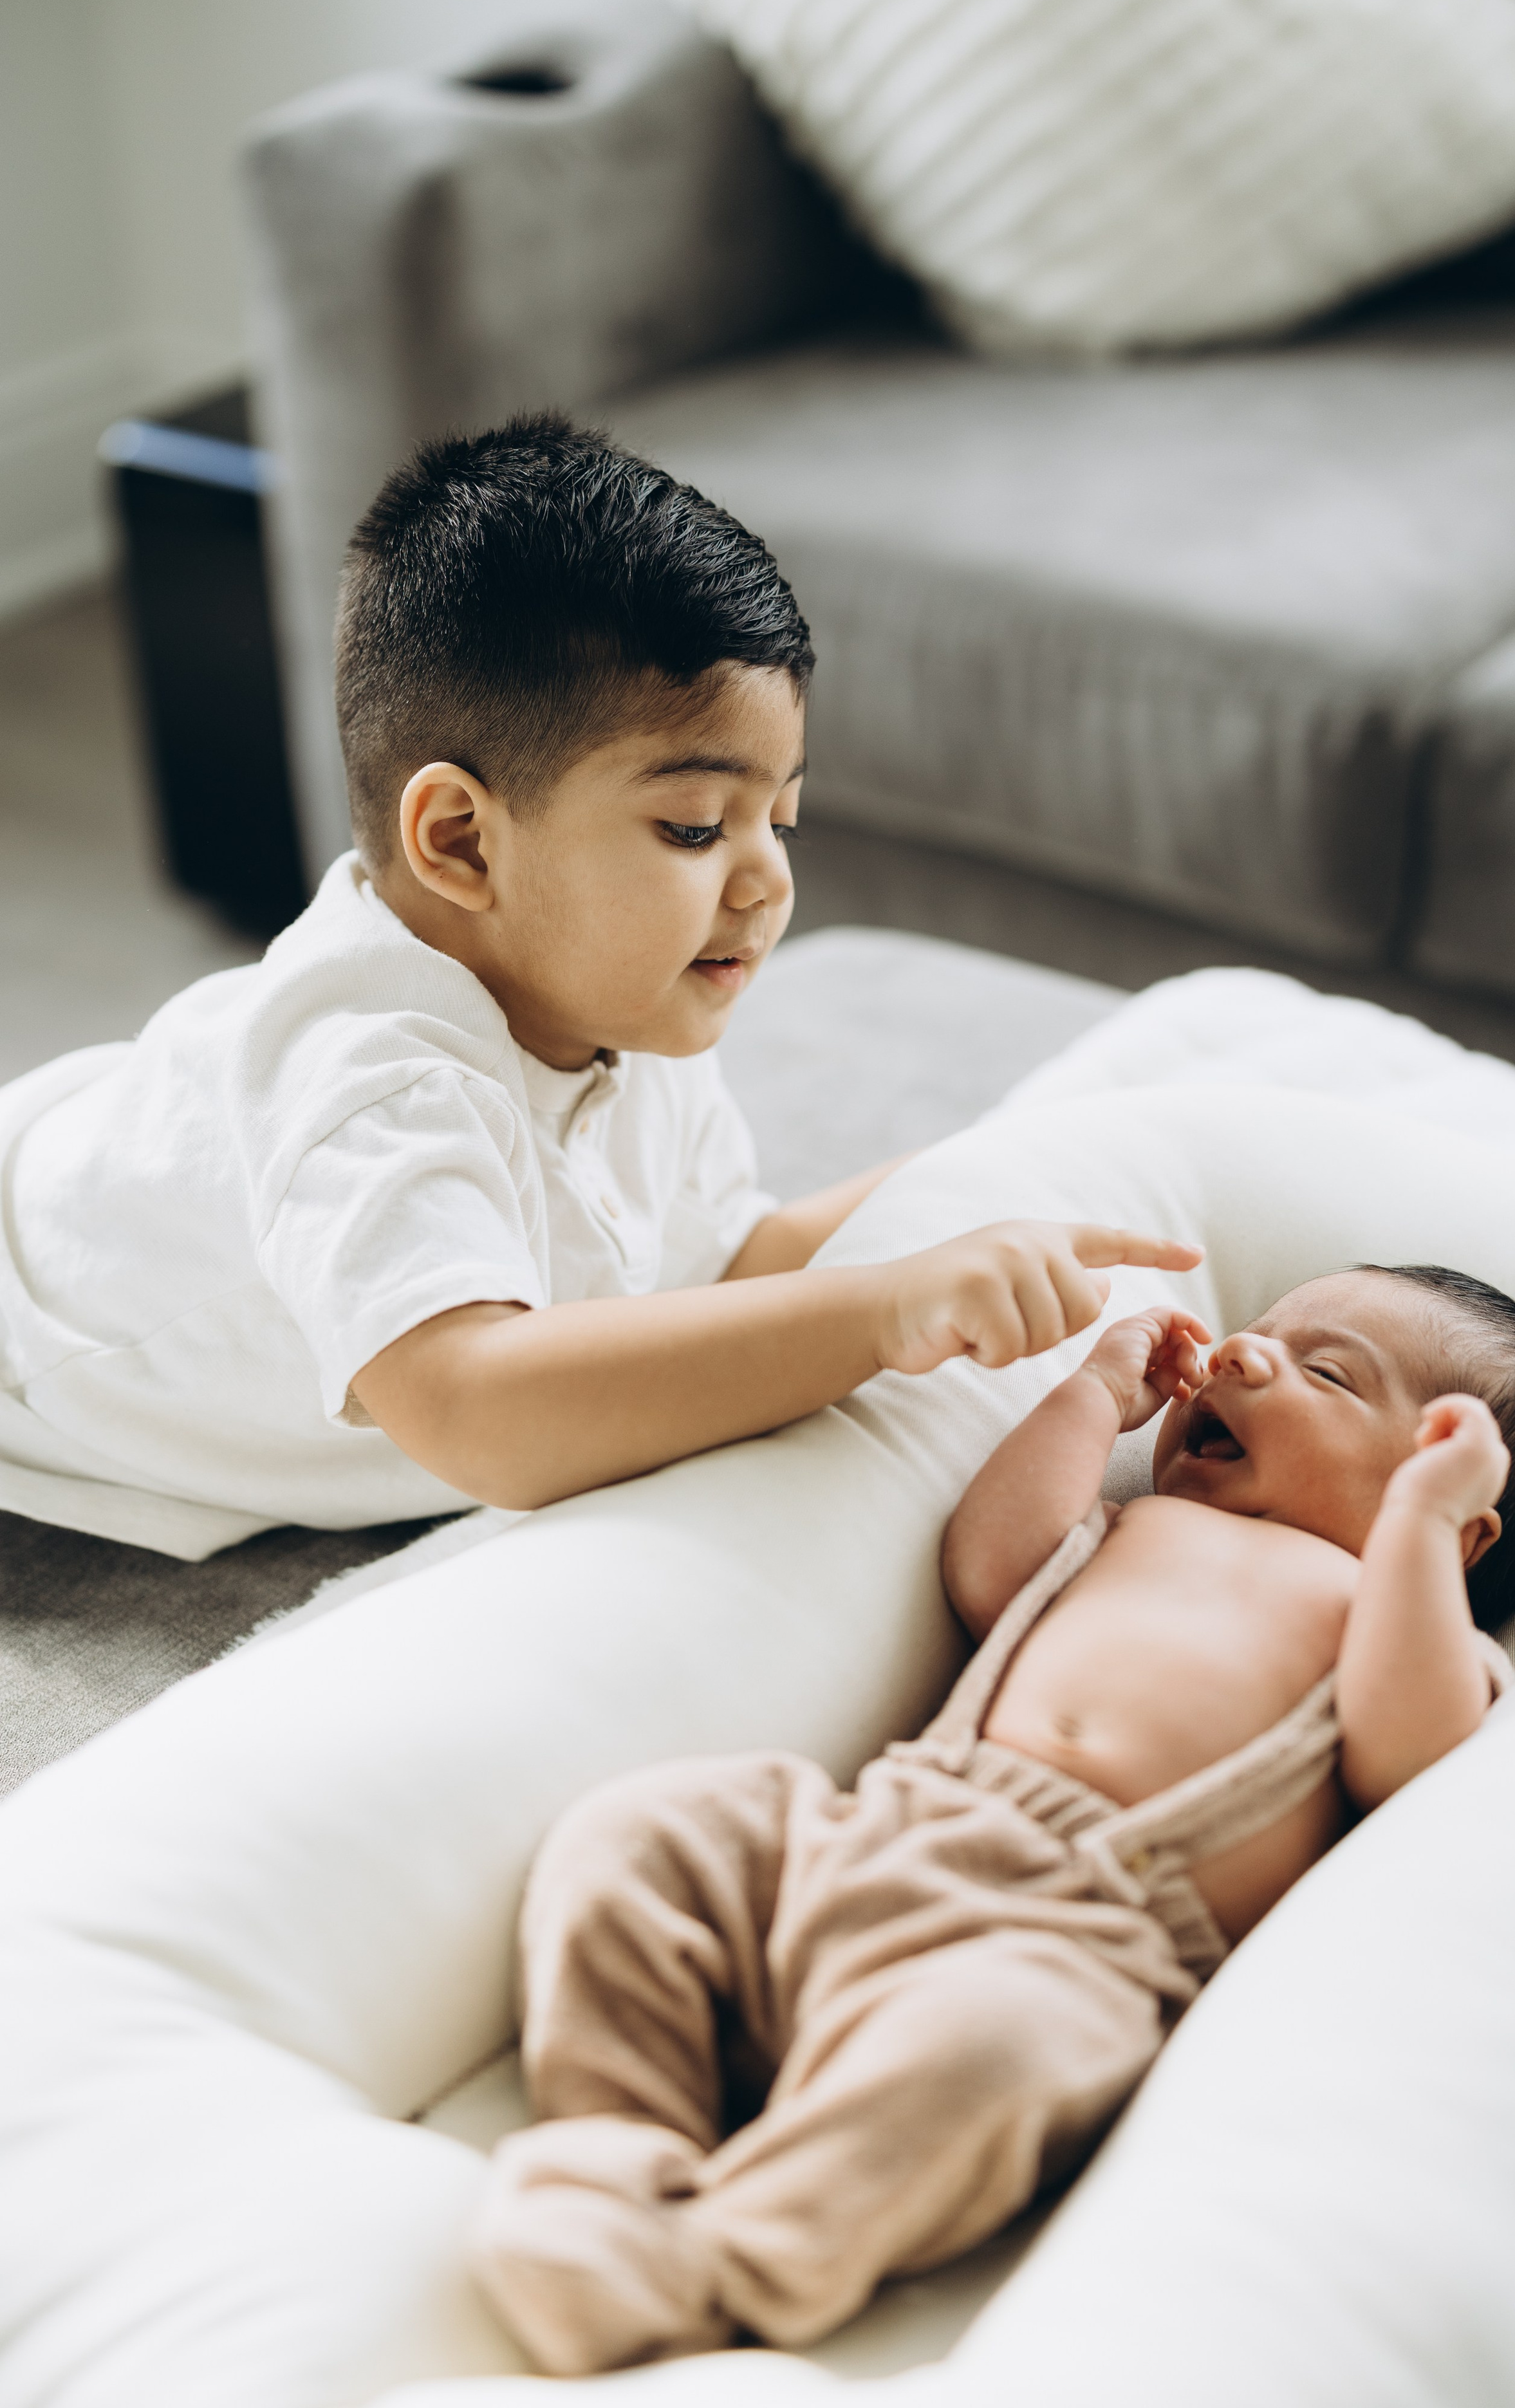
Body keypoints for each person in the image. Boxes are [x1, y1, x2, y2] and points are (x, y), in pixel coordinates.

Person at [0, 411, 1194, 1558]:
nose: (766, 883)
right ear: (462, 842)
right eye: (691, 827)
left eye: (779, 819)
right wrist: (883, 1311)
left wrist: (976, 1190)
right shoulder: (372, 1082)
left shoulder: (618, 998)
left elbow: (729, 1272)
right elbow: (480, 1412)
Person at [470, 1264, 1515, 2374]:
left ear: (1459, 1526)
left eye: (1328, 1374)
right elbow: (992, 1565)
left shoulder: (1403, 1625)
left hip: (1084, 1945)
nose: (1247, 1355)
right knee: (648, 1833)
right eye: (1262, 1330)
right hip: (889, 1825)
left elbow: (1412, 1754)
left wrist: (1413, 1535)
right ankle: (616, 2140)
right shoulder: (1129, 1526)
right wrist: (1095, 1398)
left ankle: (724, 2257)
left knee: (991, 2057)